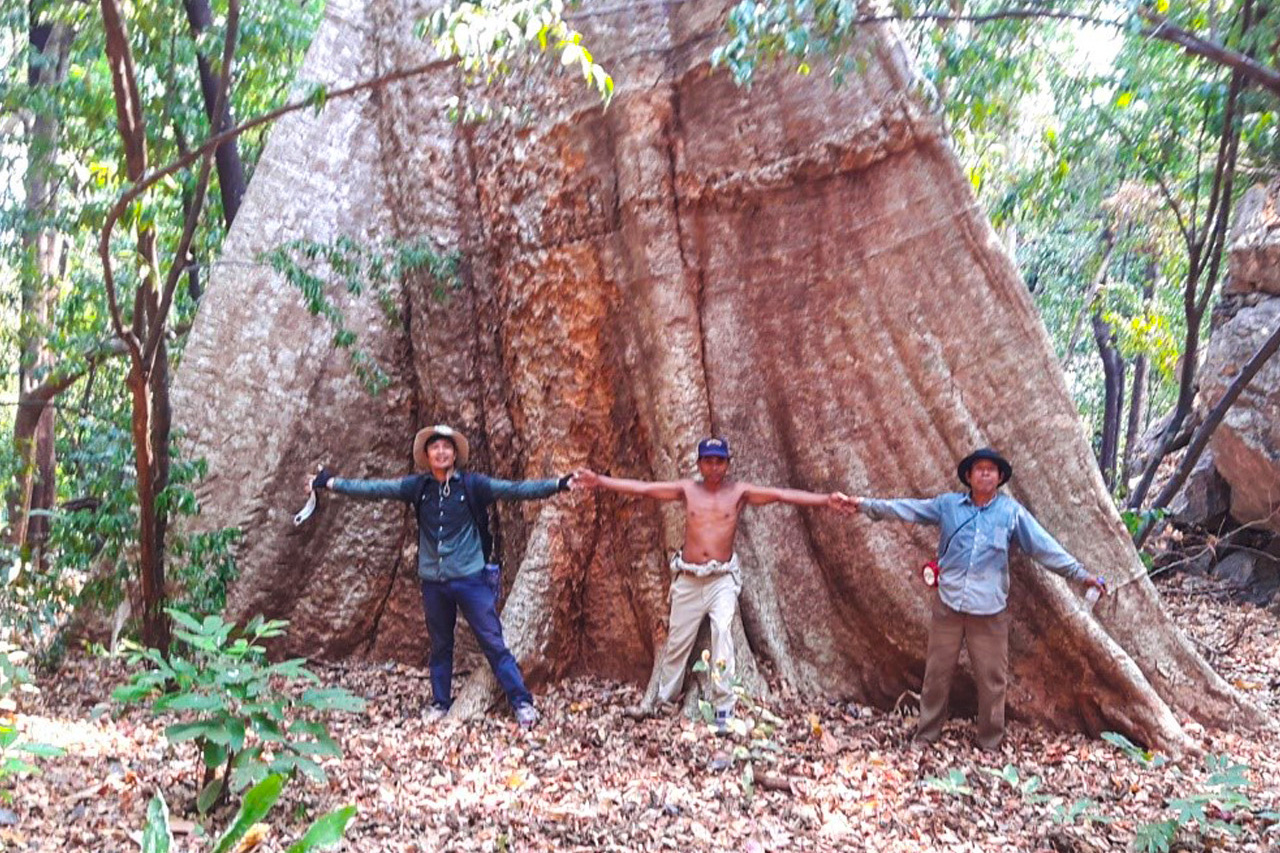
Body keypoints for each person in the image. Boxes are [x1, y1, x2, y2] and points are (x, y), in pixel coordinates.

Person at [573, 437, 853, 729]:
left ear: (728, 464)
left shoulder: (739, 493)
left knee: (722, 634)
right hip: (689, 579)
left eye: (720, 461)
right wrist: (600, 481)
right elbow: (645, 489)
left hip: (722, 580)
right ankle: (662, 701)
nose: (714, 466)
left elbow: (781, 495)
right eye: (708, 460)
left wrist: (826, 500)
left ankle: (723, 709)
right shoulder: (687, 490)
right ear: (699, 464)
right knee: (677, 644)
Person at [306, 424, 574, 728]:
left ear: (455, 454)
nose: (442, 452)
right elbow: (375, 489)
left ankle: (521, 701)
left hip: (470, 579)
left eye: (447, 447)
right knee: (441, 644)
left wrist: (558, 483)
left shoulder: (473, 485)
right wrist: (331, 483)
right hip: (434, 581)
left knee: (493, 642)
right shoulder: (418, 487)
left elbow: (514, 490)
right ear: (427, 454)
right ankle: (440, 702)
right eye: (436, 447)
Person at [851, 447, 1107, 750]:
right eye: (979, 469)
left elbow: (1043, 546)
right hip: (949, 605)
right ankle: (927, 734)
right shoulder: (948, 506)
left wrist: (1080, 574)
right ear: (969, 476)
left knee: (992, 679)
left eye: (991, 469)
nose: (985, 473)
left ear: (999, 478)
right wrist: (862, 505)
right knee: (936, 674)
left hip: (989, 610)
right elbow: (907, 509)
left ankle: (990, 741)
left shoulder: (1011, 513)